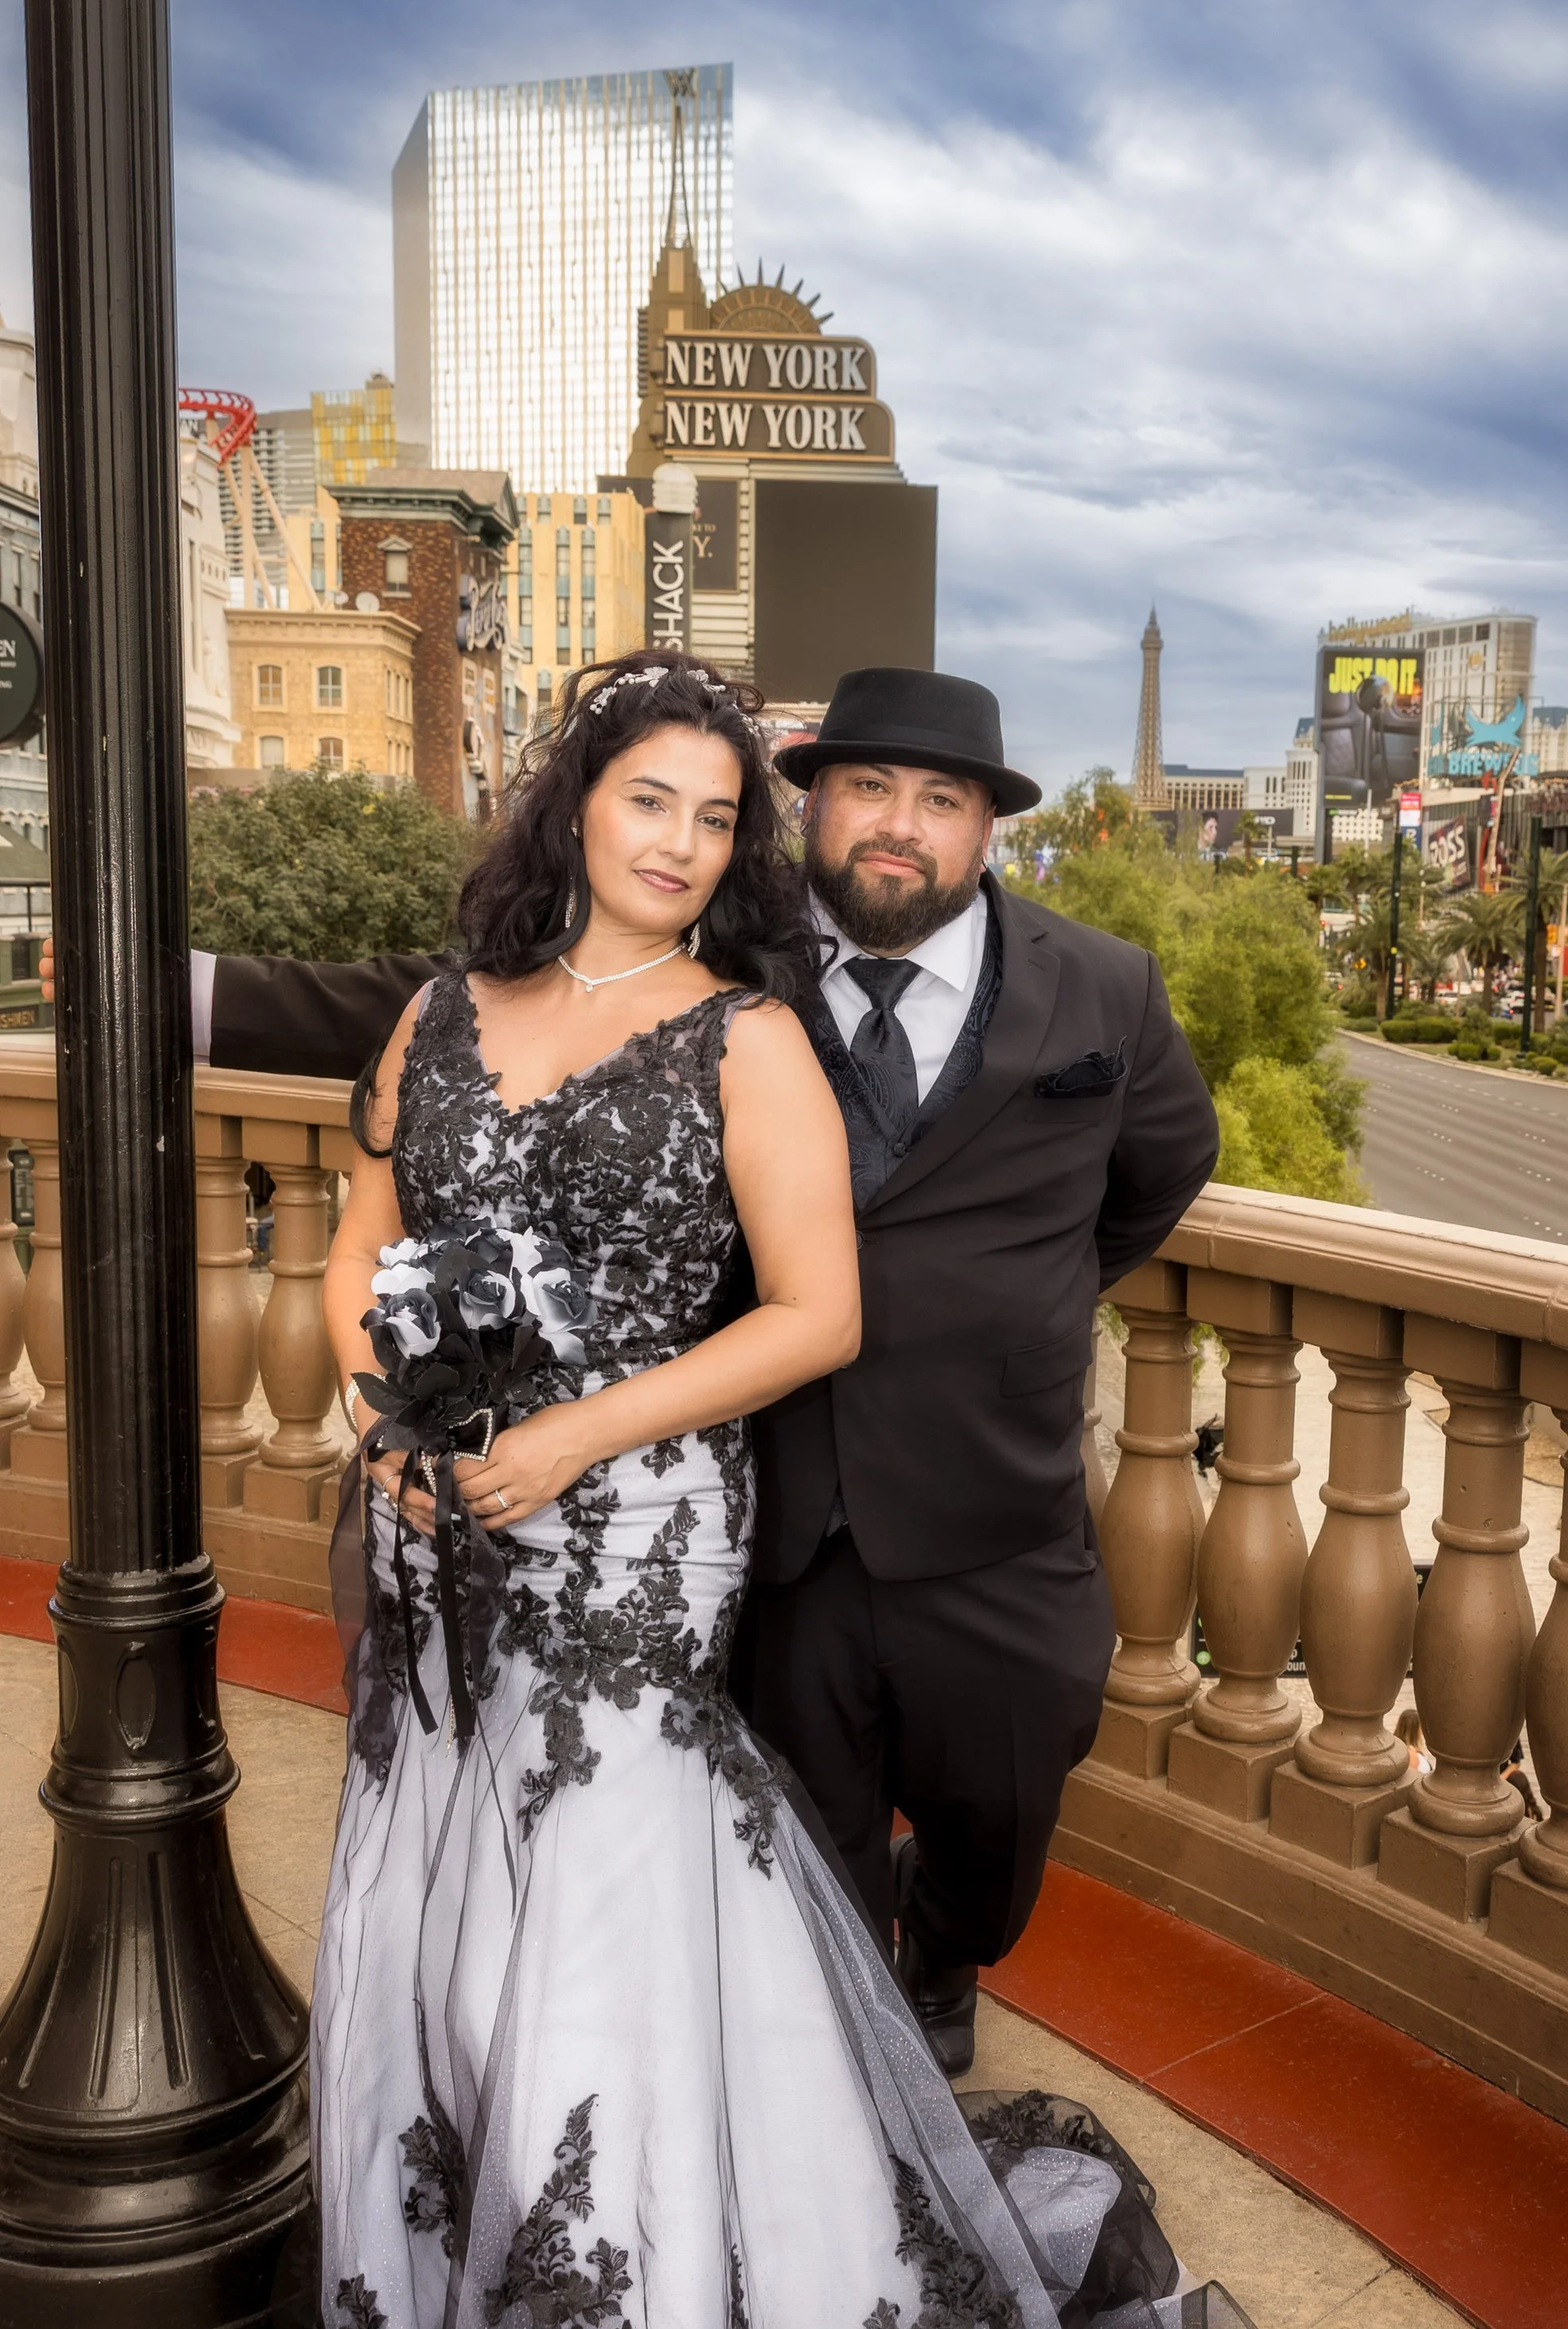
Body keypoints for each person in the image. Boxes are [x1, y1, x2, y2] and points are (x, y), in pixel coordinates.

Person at [270, 655, 1344, 2329]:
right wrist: (384, 1413)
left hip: (664, 1535)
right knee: (455, 1912)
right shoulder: (438, 1009)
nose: (679, 845)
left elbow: (864, 1288)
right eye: (646, 803)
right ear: (573, 802)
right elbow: (362, 1247)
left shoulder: (769, 1033)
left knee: (620, 1908)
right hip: (455, 1549)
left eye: (709, 817)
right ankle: (460, 2298)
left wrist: (584, 1431)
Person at [190, 658, 1222, 2082]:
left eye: (940, 799)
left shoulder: (1106, 989)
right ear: (811, 811)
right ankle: (843, 2080)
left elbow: (1162, 1175)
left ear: (989, 827)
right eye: (865, 787)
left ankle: (947, 1941)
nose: (897, 825)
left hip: (991, 1504)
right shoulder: (742, 961)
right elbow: (492, 1015)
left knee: (1006, 1801)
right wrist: (181, 991)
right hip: (778, 1492)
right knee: (792, 1841)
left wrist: (1026, 1308)